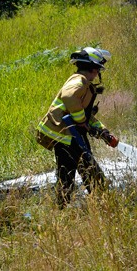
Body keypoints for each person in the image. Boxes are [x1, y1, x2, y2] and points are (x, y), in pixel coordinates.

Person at [35, 46, 119, 208]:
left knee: (66, 176)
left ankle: (61, 209)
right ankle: (104, 206)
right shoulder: (79, 81)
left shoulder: (83, 84)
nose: (97, 74)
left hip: (67, 136)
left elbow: (86, 117)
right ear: (93, 68)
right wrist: (80, 120)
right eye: (97, 69)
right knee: (91, 172)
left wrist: (104, 133)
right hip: (68, 136)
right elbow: (69, 98)